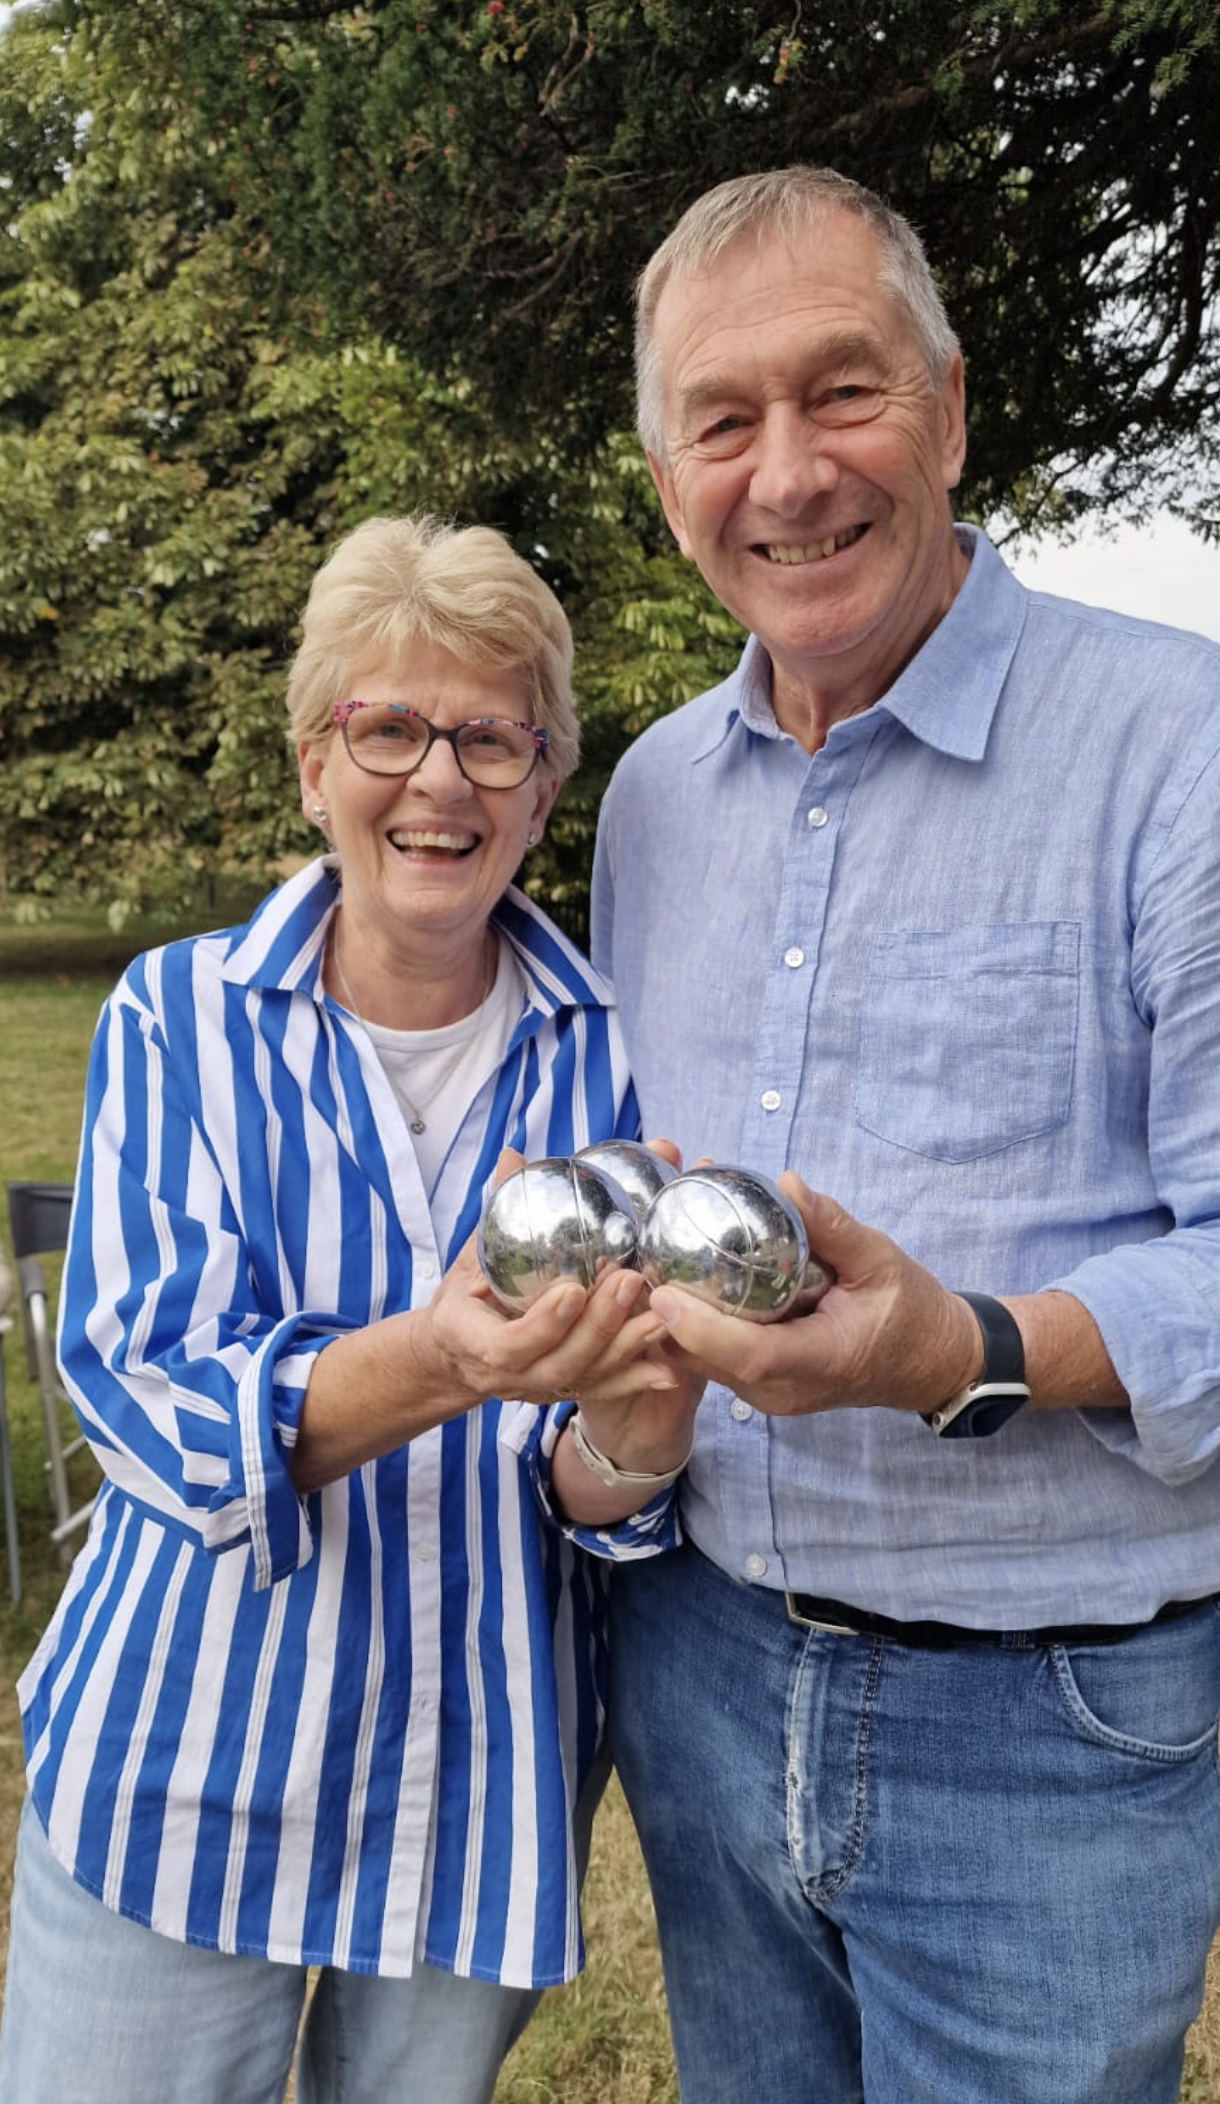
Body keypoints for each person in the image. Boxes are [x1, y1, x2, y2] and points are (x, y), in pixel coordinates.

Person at [592, 166, 1220, 2104]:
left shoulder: (1174, 745)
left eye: (840, 393)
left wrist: (963, 1348)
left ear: (949, 408)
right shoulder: (648, 804)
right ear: (667, 474)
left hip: (1046, 1723)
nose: (785, 473)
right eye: (720, 419)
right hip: (698, 1672)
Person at [0, 513, 698, 2104]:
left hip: (472, 1789)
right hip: (186, 1768)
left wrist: (638, 1430)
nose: (439, 778)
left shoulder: (619, 1058)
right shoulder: (180, 1016)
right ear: (316, 764)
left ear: (543, 782)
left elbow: (599, 1508)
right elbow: (154, 1403)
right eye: (389, 727)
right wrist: (443, 1358)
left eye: (489, 737)